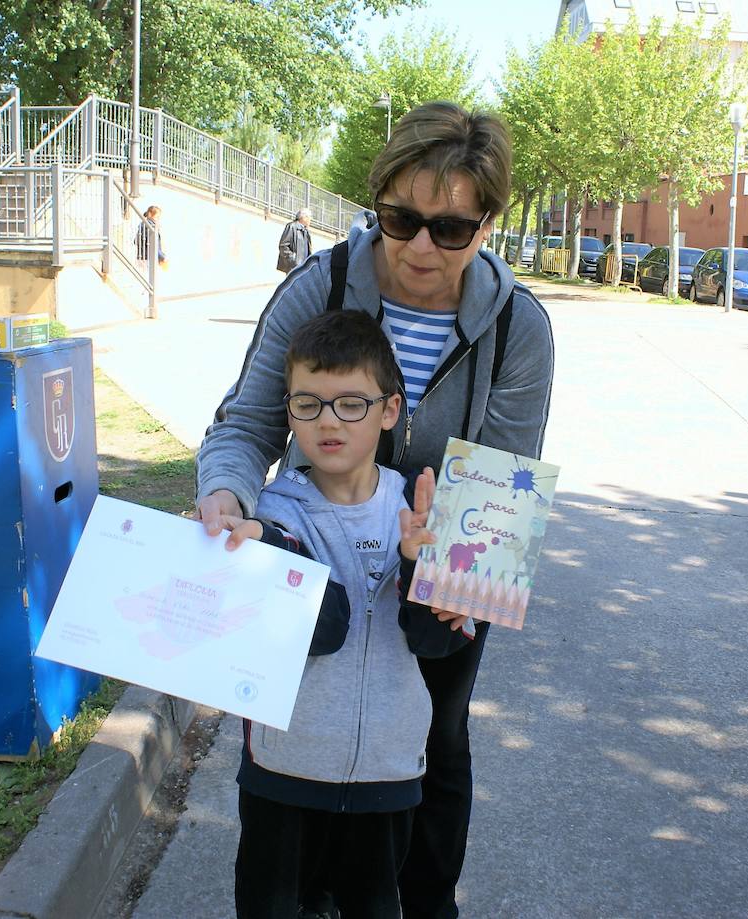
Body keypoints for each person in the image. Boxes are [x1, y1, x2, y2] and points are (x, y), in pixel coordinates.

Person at [197, 100, 556, 919]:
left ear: (488, 222)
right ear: (378, 201)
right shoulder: (317, 286)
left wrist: (447, 582)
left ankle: (425, 905)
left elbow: (505, 483)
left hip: (437, 557)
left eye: (452, 228)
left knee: (437, 740)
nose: (421, 247)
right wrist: (226, 493)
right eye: (400, 218)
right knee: (303, 742)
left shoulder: (518, 328)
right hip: (311, 555)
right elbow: (247, 421)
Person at [222, 309, 472, 919]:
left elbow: (435, 646)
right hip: (284, 769)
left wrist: (420, 569)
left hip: (388, 773)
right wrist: (271, 551)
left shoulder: (421, 510)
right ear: (288, 412)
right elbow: (324, 628)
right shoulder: (272, 514)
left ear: (389, 411)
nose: (328, 420)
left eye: (350, 404)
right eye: (307, 403)